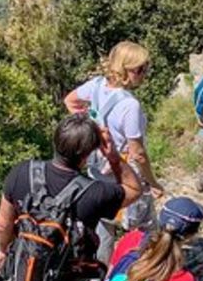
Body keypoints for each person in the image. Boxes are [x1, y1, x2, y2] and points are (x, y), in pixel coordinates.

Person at [0, 113, 144, 281]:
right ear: (86, 155)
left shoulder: (21, 172)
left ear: (56, 140)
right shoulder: (94, 192)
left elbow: (3, 224)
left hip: (26, 273)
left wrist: (3, 251)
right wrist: (114, 158)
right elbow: (134, 190)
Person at [65, 42, 164, 248]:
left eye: (146, 68)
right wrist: (152, 182)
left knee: (104, 221)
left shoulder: (97, 85)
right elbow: (138, 154)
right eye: (139, 69)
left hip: (98, 164)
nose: (144, 73)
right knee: (145, 227)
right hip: (124, 169)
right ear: (124, 68)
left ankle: (100, 275)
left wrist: (91, 127)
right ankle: (143, 269)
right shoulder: (130, 105)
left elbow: (71, 101)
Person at [95, 197, 203, 281]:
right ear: (192, 236)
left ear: (159, 220)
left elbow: (110, 276)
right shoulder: (181, 279)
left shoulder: (131, 239)